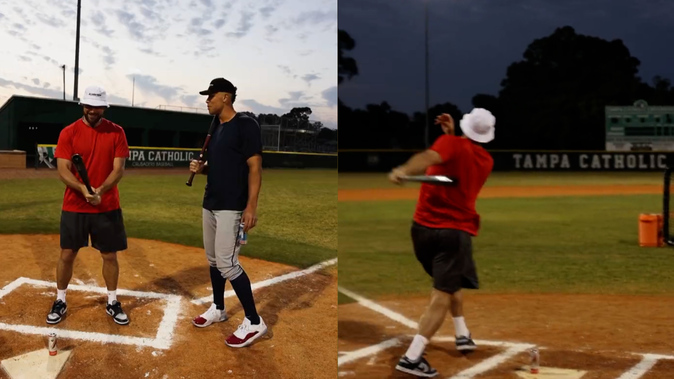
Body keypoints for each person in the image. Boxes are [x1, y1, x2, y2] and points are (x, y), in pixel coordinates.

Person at [389, 108, 496, 377]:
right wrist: (451, 137)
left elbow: (429, 157)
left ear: (465, 127)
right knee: (442, 292)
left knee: (448, 284)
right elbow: (456, 156)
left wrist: (404, 169)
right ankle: (412, 358)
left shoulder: (451, 144)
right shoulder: (486, 160)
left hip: (422, 231)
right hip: (454, 235)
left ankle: (462, 333)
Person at [189, 77, 267, 348]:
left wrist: (251, 207)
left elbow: (255, 167)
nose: (207, 100)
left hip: (233, 206)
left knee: (227, 263)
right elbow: (220, 167)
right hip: (210, 202)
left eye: (210, 95)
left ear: (226, 96)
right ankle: (219, 308)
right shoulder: (216, 128)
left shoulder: (245, 124)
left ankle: (254, 321)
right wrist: (202, 170)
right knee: (213, 261)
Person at [47, 85, 130, 326]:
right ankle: (60, 299)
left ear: (104, 107)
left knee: (109, 255)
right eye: (89, 106)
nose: (93, 110)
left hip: (107, 205)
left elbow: (119, 169)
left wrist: (101, 191)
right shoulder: (69, 132)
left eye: (98, 106)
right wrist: (83, 189)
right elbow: (63, 169)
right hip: (74, 205)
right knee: (67, 253)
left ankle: (112, 301)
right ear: (83, 105)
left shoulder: (116, 132)